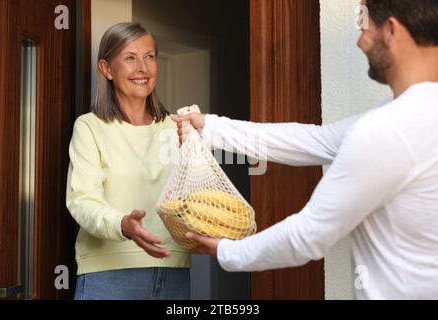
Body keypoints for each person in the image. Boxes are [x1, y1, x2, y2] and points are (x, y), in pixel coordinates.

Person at [172, 0, 438, 299]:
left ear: (391, 30)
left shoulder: (389, 130)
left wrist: (227, 250)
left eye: (365, 27)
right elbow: (318, 140)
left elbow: (308, 235)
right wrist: (211, 127)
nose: (360, 42)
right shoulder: (410, 117)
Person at [66, 22, 189, 300]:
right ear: (107, 68)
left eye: (149, 57)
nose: (143, 68)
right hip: (109, 276)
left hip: (174, 274)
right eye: (130, 58)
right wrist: (123, 224)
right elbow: (82, 201)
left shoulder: (177, 128)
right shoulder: (89, 127)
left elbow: (192, 199)